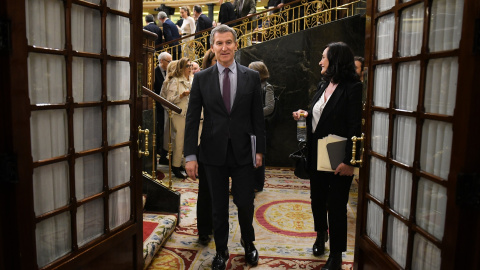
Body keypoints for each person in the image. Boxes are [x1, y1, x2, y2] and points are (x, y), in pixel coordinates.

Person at [184, 25, 265, 270]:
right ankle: (221, 251)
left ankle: (248, 243)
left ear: (236, 45)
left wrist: (259, 150)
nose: (224, 48)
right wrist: (190, 155)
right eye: (219, 43)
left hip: (242, 153)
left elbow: (257, 119)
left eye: (228, 42)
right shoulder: (201, 78)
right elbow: (191, 118)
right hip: (211, 154)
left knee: (245, 202)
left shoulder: (251, 76)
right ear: (212, 47)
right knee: (218, 206)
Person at [292, 42, 361, 270]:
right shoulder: (324, 84)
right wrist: (304, 114)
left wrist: (351, 162)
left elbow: (355, 127)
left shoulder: (352, 87)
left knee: (337, 204)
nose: (320, 61)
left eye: (324, 57)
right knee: (317, 199)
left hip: (337, 153)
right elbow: (317, 114)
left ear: (336, 60)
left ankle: (336, 256)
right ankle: (321, 234)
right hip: (316, 151)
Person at [161, 58, 193, 179]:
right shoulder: (175, 81)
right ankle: (175, 166)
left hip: (190, 114)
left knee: (187, 142)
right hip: (178, 114)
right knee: (179, 141)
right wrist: (181, 95)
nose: (190, 68)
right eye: (187, 66)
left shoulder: (192, 79)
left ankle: (183, 164)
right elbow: (169, 100)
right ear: (181, 68)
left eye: (190, 65)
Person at [248, 61, 275, 192]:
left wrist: (254, 114)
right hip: (248, 124)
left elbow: (270, 108)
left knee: (259, 154)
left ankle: (257, 184)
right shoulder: (249, 84)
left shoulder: (267, 87)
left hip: (260, 124)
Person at [154, 52, 173, 165]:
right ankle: (161, 154)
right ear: (161, 61)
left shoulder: (170, 73)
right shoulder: (154, 72)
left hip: (167, 106)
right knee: (160, 129)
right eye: (169, 61)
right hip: (157, 106)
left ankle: (164, 154)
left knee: (166, 130)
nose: (170, 63)